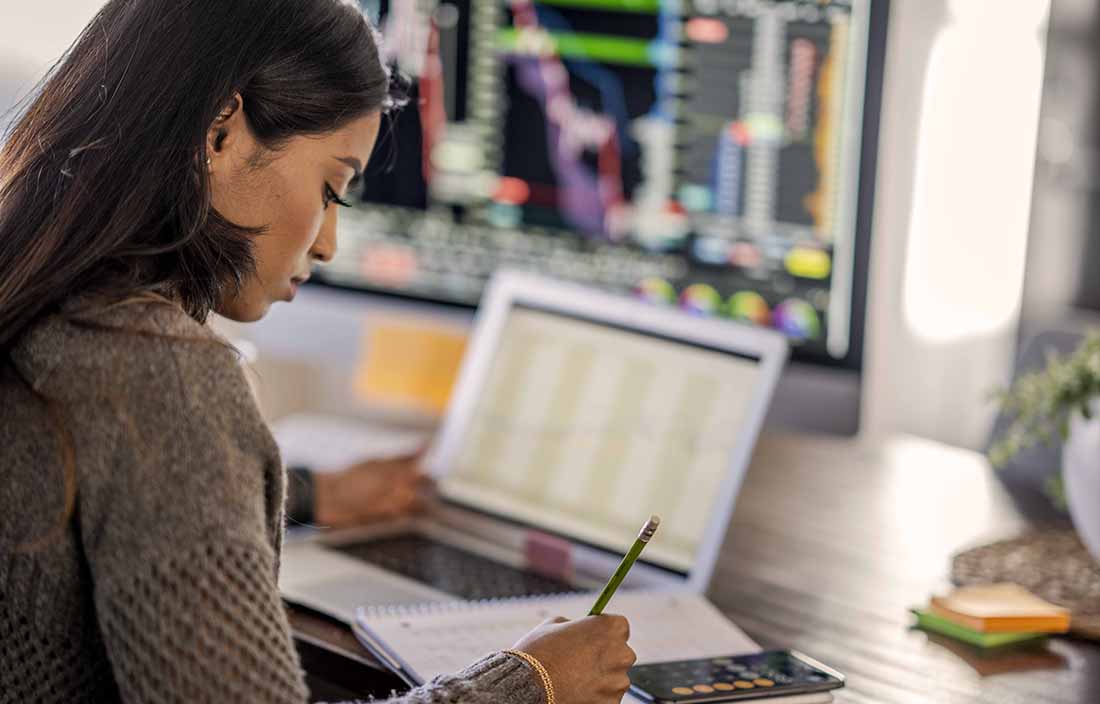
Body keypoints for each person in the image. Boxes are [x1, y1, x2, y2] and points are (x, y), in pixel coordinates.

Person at [0, 2, 636, 703]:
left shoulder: (36, 298)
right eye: (332, 187)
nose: (328, 243)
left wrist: (310, 493)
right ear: (221, 133)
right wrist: (533, 683)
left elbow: (91, 485)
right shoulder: (163, 381)